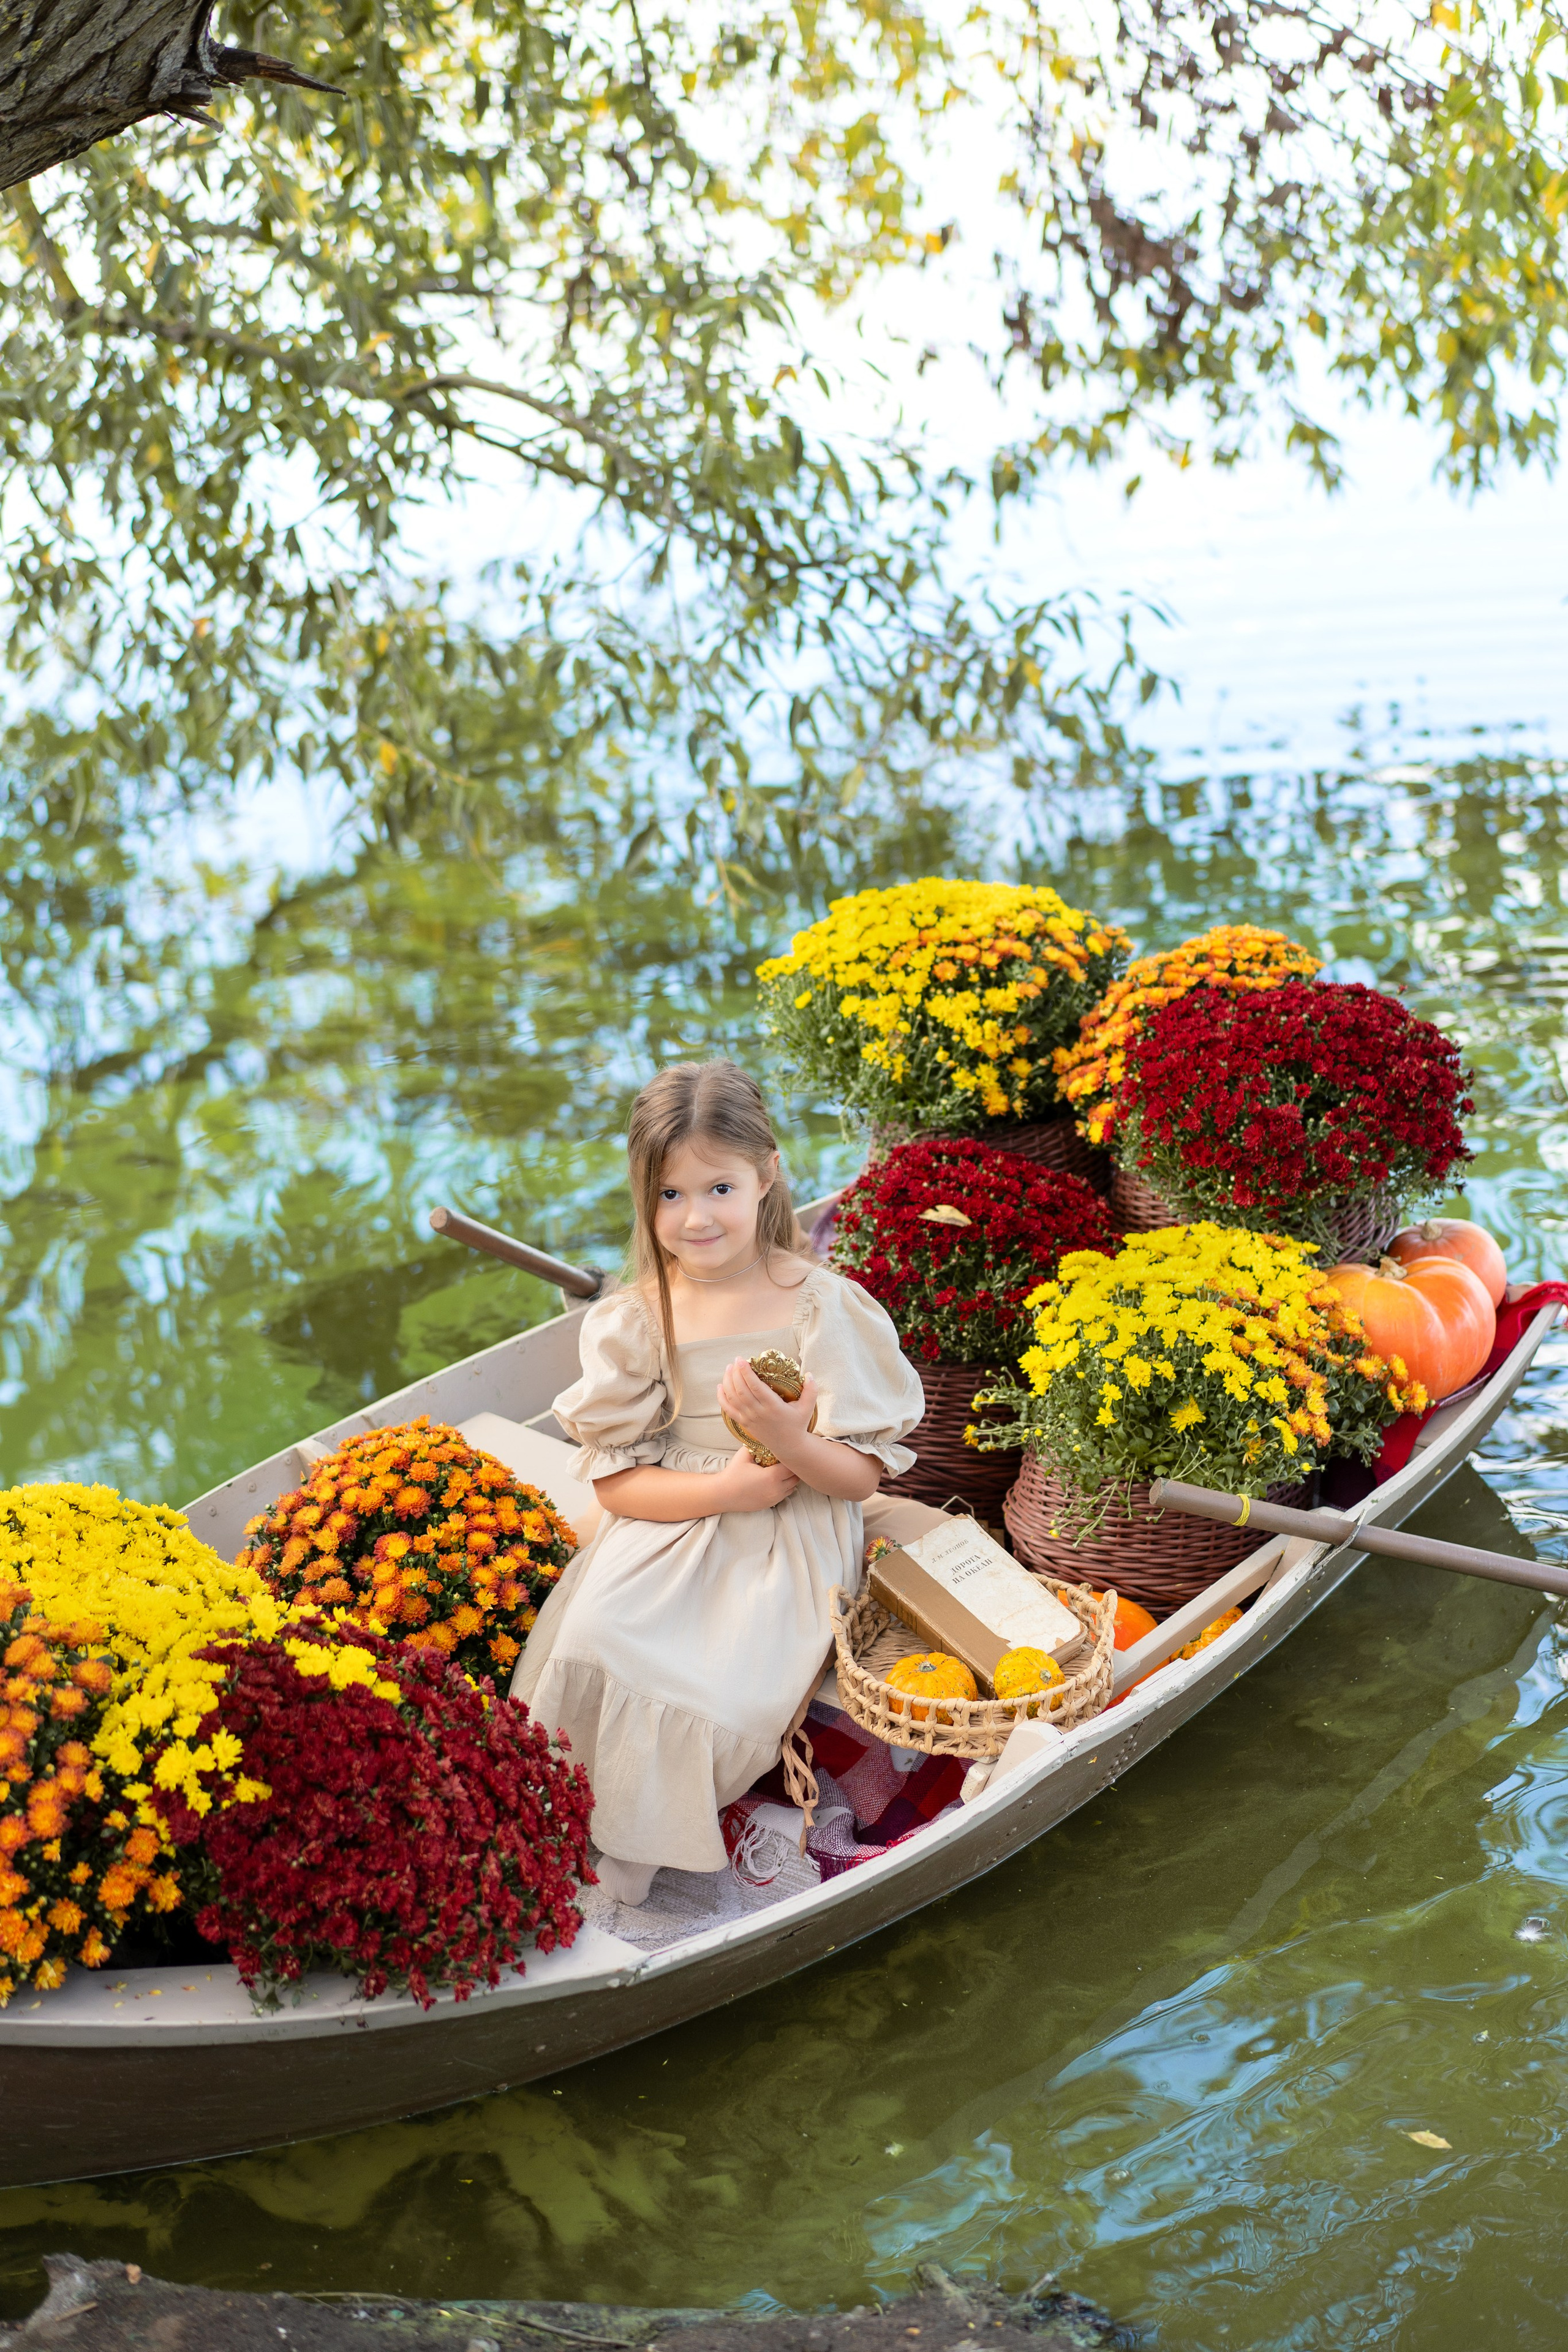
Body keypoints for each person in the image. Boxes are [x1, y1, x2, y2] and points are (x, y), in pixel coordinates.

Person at [512, 1060, 925, 1905]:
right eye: (670, 1195)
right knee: (599, 1632)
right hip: (681, 1508)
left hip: (790, 1523)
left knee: (719, 1681)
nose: (696, 1217)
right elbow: (619, 1486)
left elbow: (857, 1478)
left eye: (720, 1188)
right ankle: (559, 1817)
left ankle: (637, 1850)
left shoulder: (820, 1306)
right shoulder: (642, 1315)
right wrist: (723, 1492)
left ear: (767, 1174)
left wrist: (787, 1439)